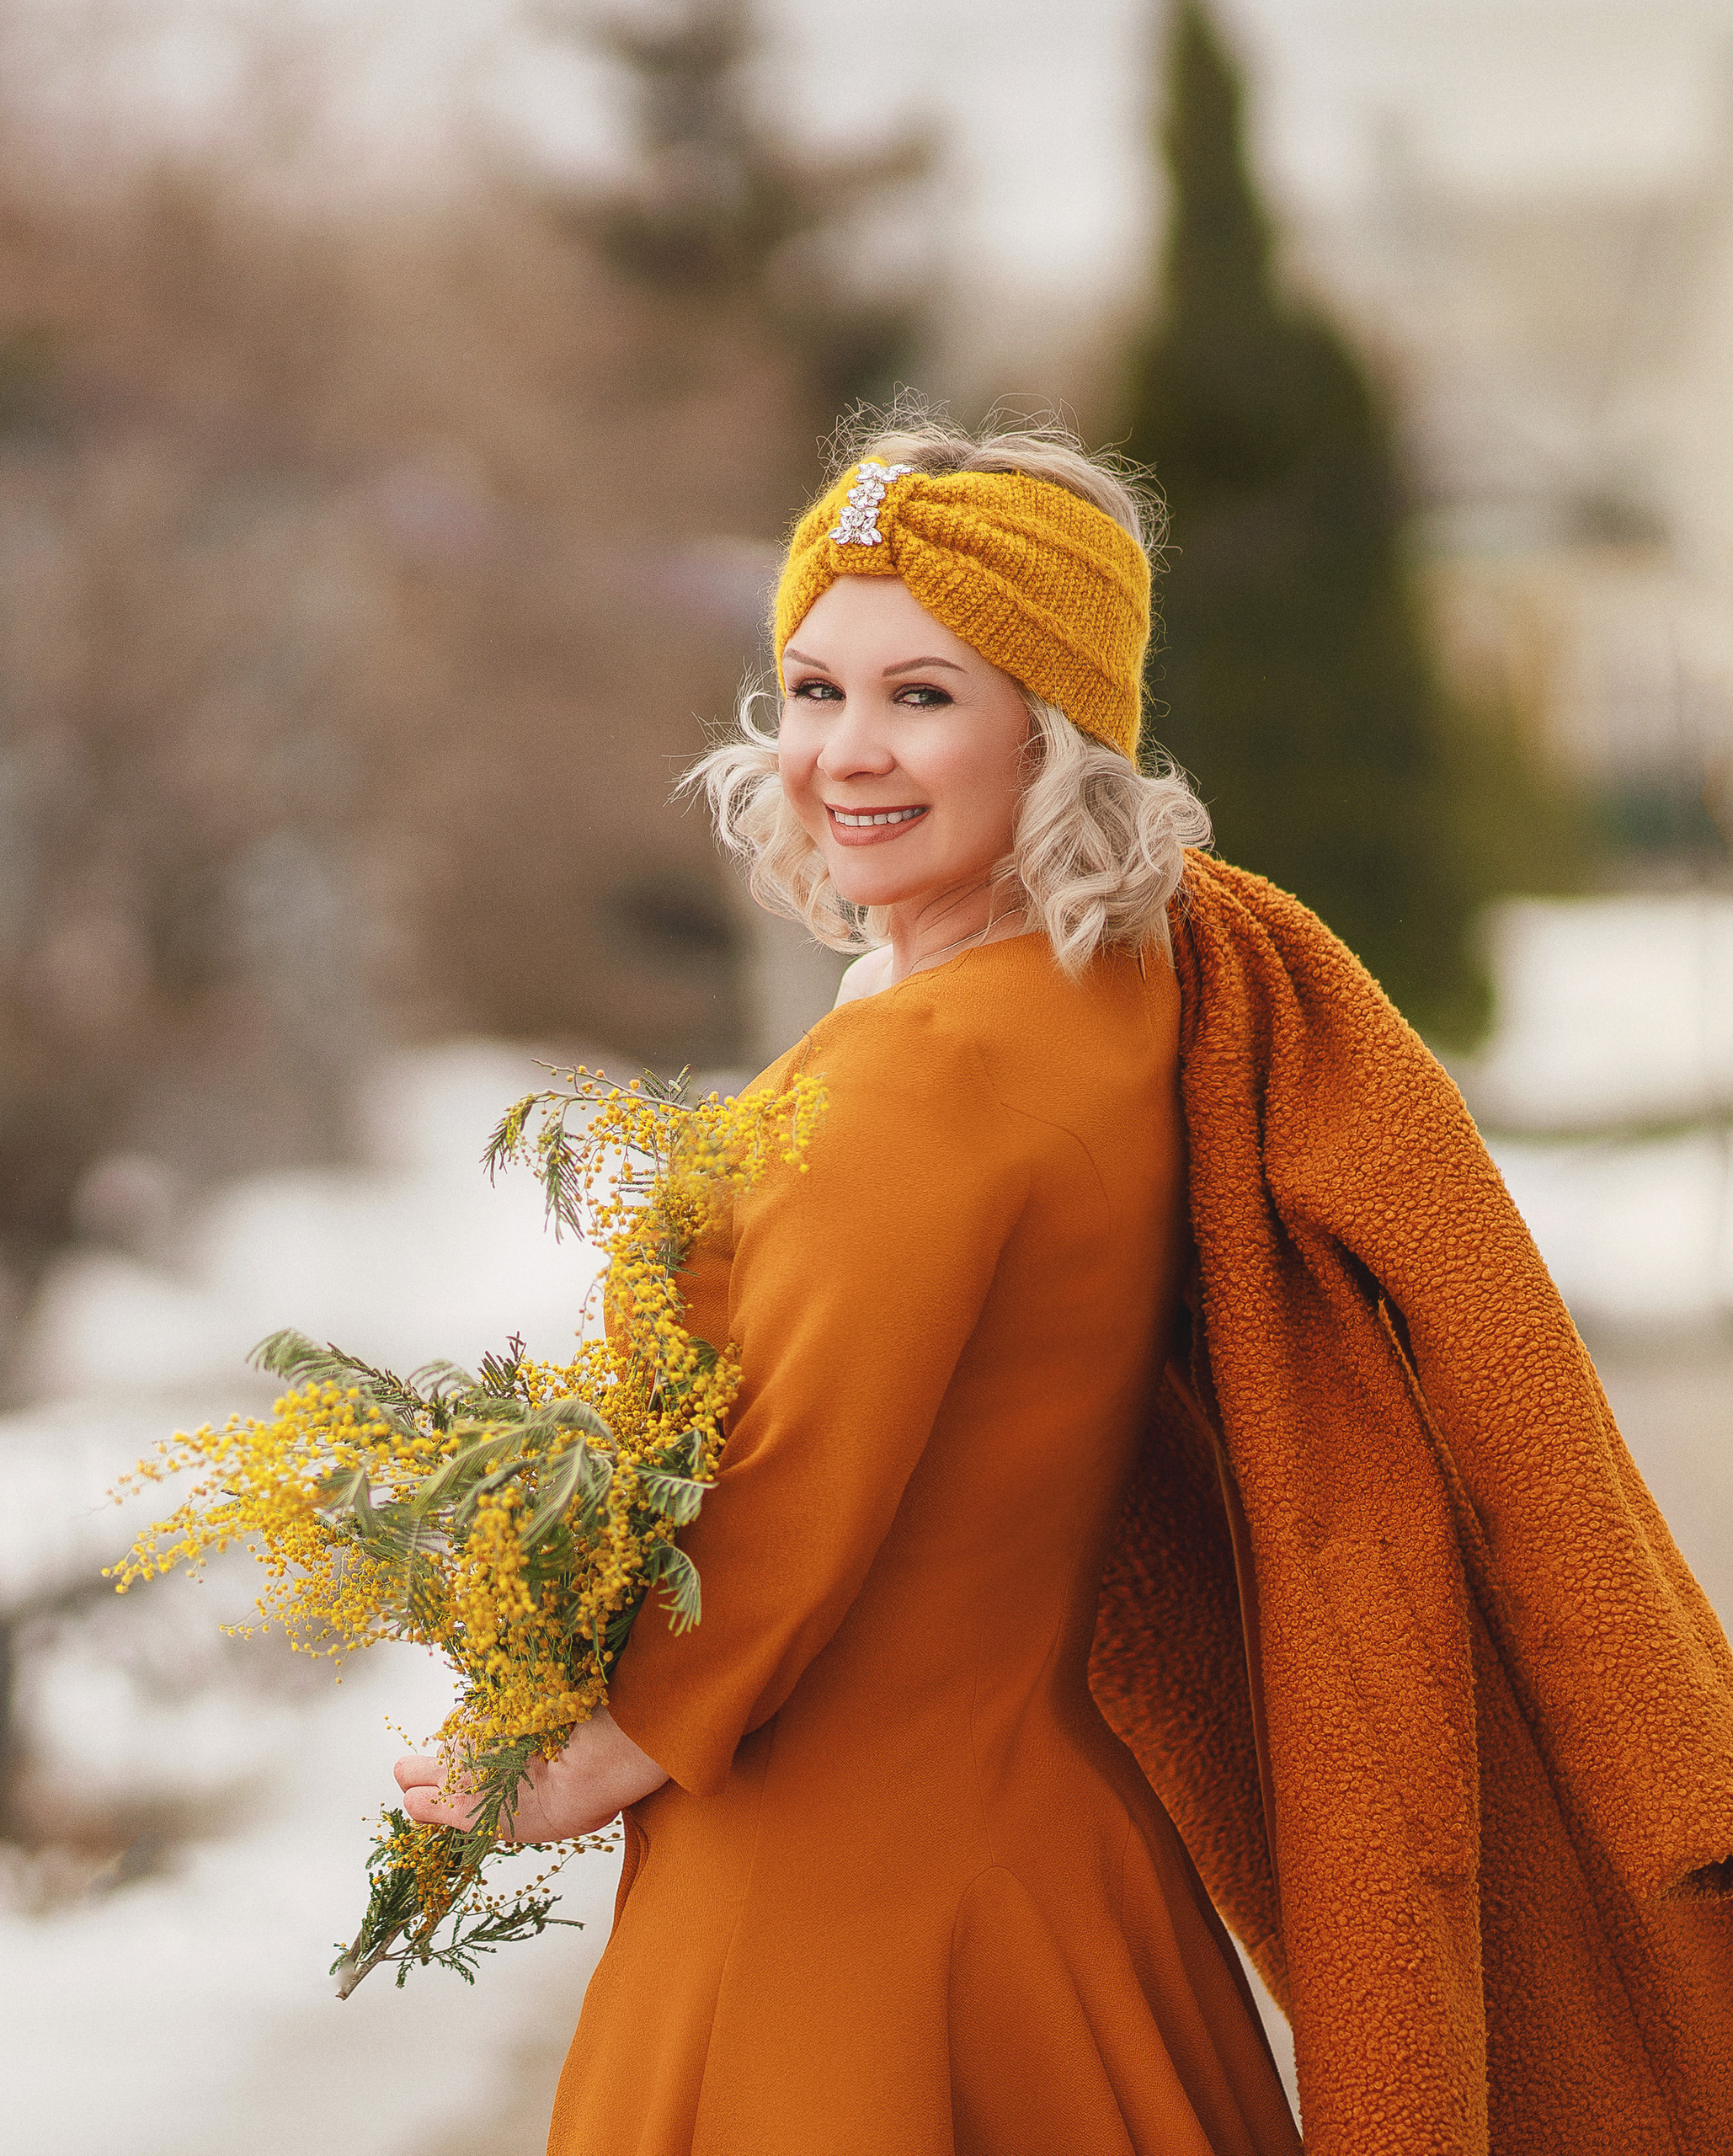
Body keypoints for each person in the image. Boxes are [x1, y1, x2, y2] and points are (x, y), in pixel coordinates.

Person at [397, 419, 1733, 2156]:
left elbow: (798, 1484)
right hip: (1063, 1883)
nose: (845, 750)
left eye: (922, 695)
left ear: (1052, 727)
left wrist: (589, 1735)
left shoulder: (926, 1074)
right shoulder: (1121, 1001)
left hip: (844, 1923)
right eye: (813, 689)